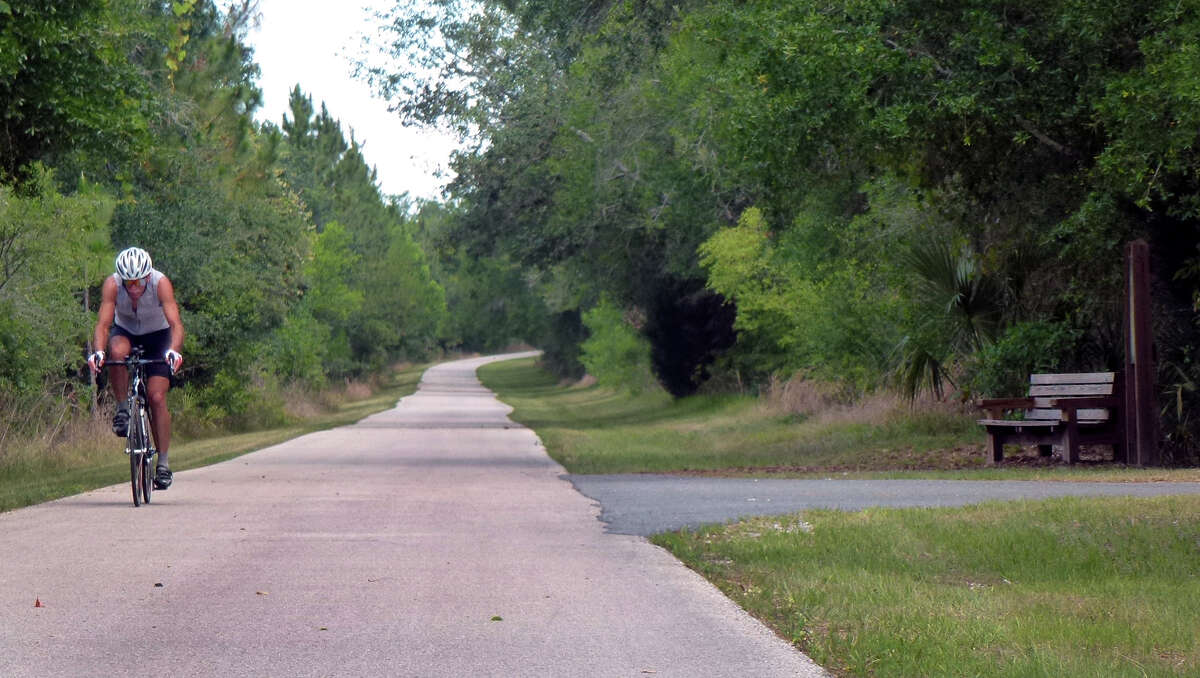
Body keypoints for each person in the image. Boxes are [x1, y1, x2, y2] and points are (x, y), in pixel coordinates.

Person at [87, 247, 185, 490]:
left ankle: (162, 464)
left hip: (159, 337)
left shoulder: (160, 283)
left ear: (147, 277)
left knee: (156, 396)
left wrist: (174, 350)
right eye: (128, 282)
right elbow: (103, 324)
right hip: (127, 333)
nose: (133, 288)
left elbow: (175, 324)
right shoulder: (113, 285)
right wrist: (98, 351)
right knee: (117, 353)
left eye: (139, 282)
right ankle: (122, 409)